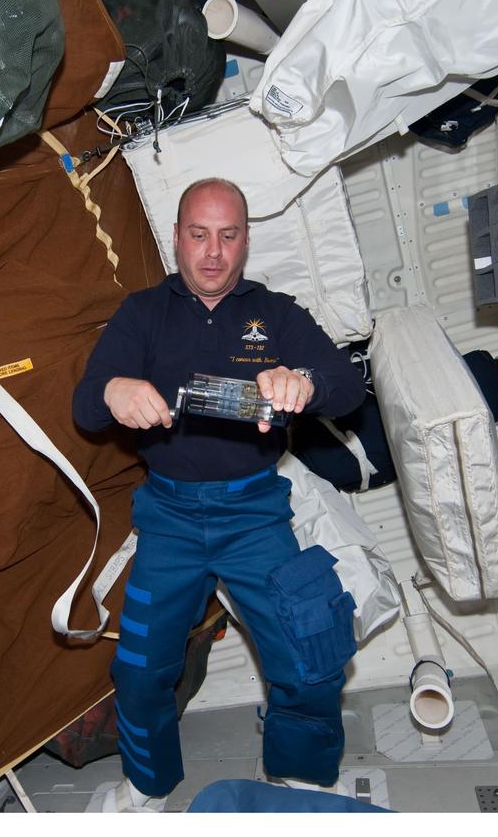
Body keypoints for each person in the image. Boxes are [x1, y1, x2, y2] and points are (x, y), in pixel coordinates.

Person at [72, 178, 367, 810]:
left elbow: (348, 386)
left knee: (312, 654)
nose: (213, 251)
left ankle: (301, 780)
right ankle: (148, 787)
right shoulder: (141, 314)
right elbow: (85, 404)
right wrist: (112, 391)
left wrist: (303, 383)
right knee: (141, 670)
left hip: (255, 513)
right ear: (176, 237)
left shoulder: (278, 314)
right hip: (170, 517)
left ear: (246, 241)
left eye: (228, 235)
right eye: (199, 234)